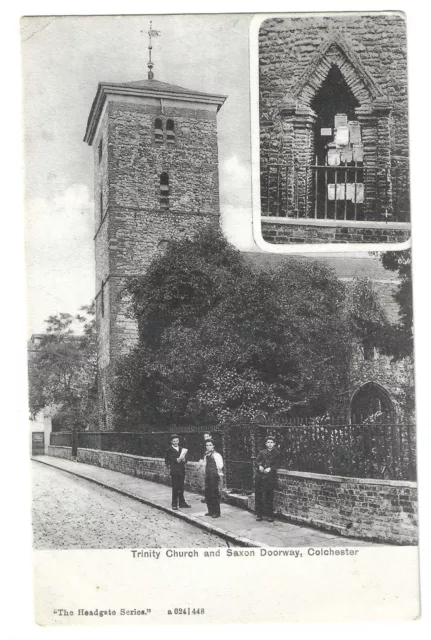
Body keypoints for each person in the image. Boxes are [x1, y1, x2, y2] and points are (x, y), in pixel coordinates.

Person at [254, 435, 281, 522]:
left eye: (272, 442)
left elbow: (278, 464)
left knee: (269, 496)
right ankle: (259, 514)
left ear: (274, 444)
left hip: (269, 477)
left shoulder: (277, 453)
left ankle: (270, 515)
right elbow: (257, 461)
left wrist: (271, 468)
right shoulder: (262, 452)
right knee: (259, 495)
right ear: (266, 444)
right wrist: (260, 466)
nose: (270, 444)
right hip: (260, 476)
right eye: (268, 442)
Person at [164, 434, 191, 510]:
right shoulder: (168, 450)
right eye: (174, 441)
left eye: (177, 441)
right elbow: (167, 461)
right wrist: (175, 460)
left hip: (181, 470)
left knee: (181, 487)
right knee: (175, 487)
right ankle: (174, 504)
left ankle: (182, 503)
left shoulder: (182, 449)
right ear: (171, 442)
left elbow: (186, 459)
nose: (176, 442)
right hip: (174, 471)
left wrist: (184, 460)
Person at [204, 439, 223, 518]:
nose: (208, 447)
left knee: (214, 493)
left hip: (214, 476)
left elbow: (220, 465)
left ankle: (216, 512)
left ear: (213, 446)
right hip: (208, 475)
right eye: (207, 445)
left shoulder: (216, 455)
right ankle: (210, 511)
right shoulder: (206, 455)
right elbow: (205, 464)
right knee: (208, 493)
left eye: (210, 445)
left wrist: (219, 474)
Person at [200, 432, 213, 503]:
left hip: (211, 468)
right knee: (206, 483)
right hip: (206, 467)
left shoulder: (212, 445)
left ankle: (210, 498)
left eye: (207, 436)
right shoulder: (205, 446)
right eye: (205, 437)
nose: (206, 438)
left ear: (210, 436)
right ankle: (207, 498)